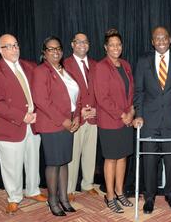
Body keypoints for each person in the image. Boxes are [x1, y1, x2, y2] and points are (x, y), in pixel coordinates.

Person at [0, 34, 47, 214]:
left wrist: (37, 114)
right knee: (12, 166)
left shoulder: (30, 66)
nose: (14, 48)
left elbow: (40, 93)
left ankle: (33, 190)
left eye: (16, 45)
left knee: (33, 160)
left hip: (33, 124)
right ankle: (14, 197)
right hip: (9, 126)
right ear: (0, 50)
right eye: (9, 46)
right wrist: (22, 116)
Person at [132, 26, 171, 214]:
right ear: (152, 41)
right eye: (157, 38)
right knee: (149, 160)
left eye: (164, 38)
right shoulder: (143, 60)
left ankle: (170, 194)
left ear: (170, 39)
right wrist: (138, 114)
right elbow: (139, 90)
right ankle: (149, 197)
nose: (161, 41)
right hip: (149, 120)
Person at [32, 36, 80, 216]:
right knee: (53, 163)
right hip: (52, 125)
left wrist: (76, 118)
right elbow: (42, 101)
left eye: (58, 48)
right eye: (51, 49)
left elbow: (76, 98)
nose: (56, 51)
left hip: (68, 124)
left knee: (64, 161)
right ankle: (52, 201)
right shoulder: (41, 71)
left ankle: (64, 199)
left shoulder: (65, 71)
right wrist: (64, 121)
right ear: (44, 52)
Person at [93, 29, 135, 213]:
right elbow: (102, 98)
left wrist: (132, 111)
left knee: (123, 156)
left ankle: (120, 192)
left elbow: (131, 92)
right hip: (110, 121)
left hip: (126, 120)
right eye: (112, 45)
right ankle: (109, 195)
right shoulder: (101, 67)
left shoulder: (125, 64)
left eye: (118, 44)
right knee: (111, 158)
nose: (115, 48)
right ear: (105, 47)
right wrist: (122, 115)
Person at [64, 33, 98, 200]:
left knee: (90, 153)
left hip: (93, 116)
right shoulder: (65, 65)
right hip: (76, 117)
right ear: (72, 44)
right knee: (73, 154)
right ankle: (70, 188)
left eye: (85, 42)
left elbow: (100, 90)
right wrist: (77, 113)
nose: (82, 45)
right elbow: (64, 94)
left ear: (88, 45)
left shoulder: (95, 64)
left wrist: (97, 109)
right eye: (78, 42)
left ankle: (87, 184)